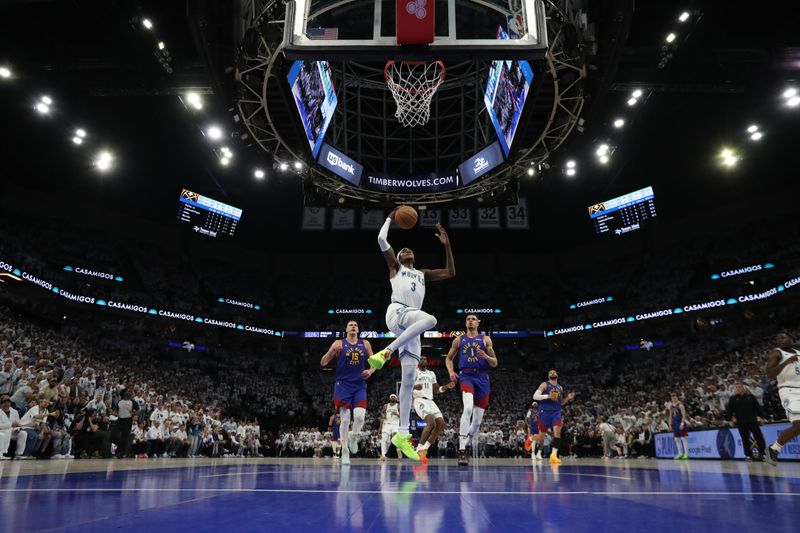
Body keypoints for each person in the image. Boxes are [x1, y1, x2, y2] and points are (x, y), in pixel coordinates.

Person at [368, 210, 455, 463]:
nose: (406, 249)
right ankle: (386, 351)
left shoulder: (422, 273)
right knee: (431, 319)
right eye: (402, 249)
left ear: (414, 257)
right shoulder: (395, 268)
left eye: (409, 249)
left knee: (407, 381)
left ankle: (403, 434)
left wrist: (447, 245)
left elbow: (450, 272)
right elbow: (382, 241)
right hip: (397, 313)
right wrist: (389, 218)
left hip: (411, 328)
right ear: (398, 257)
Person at [445, 314, 498, 466]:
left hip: (482, 378)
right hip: (466, 376)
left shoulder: (485, 339)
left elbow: (495, 363)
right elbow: (448, 358)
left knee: (476, 423)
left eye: (473, 319)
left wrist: (486, 356)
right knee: (467, 408)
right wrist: (451, 372)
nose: (470, 320)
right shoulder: (459, 340)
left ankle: (465, 444)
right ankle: (462, 451)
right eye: (468, 319)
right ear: (465, 323)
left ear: (478, 323)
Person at [320, 320, 376, 465]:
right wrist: (332, 351)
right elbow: (323, 363)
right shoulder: (339, 343)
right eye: (350, 325)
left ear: (358, 329)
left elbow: (376, 362)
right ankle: (345, 450)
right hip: (343, 385)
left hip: (359, 385)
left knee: (359, 417)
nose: (353, 326)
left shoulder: (365, 344)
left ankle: (354, 435)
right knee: (344, 419)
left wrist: (370, 371)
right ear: (346, 329)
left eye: (355, 325)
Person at [765, 332, 800, 466]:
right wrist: (786, 363)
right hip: (789, 391)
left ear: (791, 339)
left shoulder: (798, 352)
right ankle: (775, 448)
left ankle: (773, 449)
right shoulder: (777, 353)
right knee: (798, 425)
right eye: (777, 338)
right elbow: (769, 373)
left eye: (783, 337)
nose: (780, 340)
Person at [412, 355, 455, 460]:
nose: (423, 360)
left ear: (427, 361)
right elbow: (406, 385)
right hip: (419, 400)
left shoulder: (431, 374)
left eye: (425, 359)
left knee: (441, 424)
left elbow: (436, 390)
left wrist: (446, 387)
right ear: (418, 362)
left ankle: (425, 448)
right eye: (421, 359)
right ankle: (419, 448)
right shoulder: (414, 372)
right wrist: (414, 386)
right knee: (431, 422)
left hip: (430, 401)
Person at [533, 369, 576, 464]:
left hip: (556, 412)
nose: (552, 373)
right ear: (548, 376)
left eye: (554, 372)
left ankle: (553, 455)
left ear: (557, 375)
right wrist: (548, 396)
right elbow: (535, 396)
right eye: (550, 372)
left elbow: (561, 403)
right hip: (544, 412)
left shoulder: (560, 388)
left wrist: (568, 398)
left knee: (557, 431)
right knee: (541, 436)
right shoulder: (544, 384)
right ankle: (532, 440)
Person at [725, 382, 766, 461]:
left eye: (740, 387)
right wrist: (729, 420)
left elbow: (758, 408)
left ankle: (763, 454)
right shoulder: (733, 398)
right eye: (736, 387)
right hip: (741, 422)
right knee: (745, 439)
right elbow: (729, 411)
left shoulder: (751, 397)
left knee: (759, 437)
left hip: (752, 420)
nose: (738, 389)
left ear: (744, 388)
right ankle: (748, 455)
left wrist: (762, 417)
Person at [0, 394, 27, 459]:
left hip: (12, 431)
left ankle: (18, 454)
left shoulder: (14, 412)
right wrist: (11, 425)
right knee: (5, 432)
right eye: (4, 403)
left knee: (23, 433)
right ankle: (2, 453)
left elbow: (18, 422)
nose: (7, 404)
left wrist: (17, 429)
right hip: (3, 431)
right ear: (1, 404)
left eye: (8, 402)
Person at [378, 394, 401, 461]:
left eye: (394, 397)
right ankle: (383, 455)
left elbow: (402, 416)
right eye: (391, 396)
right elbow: (382, 412)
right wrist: (383, 416)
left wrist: (396, 414)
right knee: (384, 438)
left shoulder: (398, 406)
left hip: (395, 424)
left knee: (394, 438)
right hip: (387, 423)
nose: (393, 397)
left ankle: (398, 449)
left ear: (396, 399)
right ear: (389, 398)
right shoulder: (386, 405)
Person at [669, 394, 689, 460]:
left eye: (675, 397)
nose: (674, 399)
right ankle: (680, 453)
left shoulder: (680, 405)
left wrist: (682, 422)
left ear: (677, 398)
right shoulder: (671, 406)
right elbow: (670, 416)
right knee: (676, 439)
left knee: (683, 438)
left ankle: (686, 454)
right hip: (675, 424)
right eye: (672, 398)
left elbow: (684, 415)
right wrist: (670, 425)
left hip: (680, 422)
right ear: (671, 399)